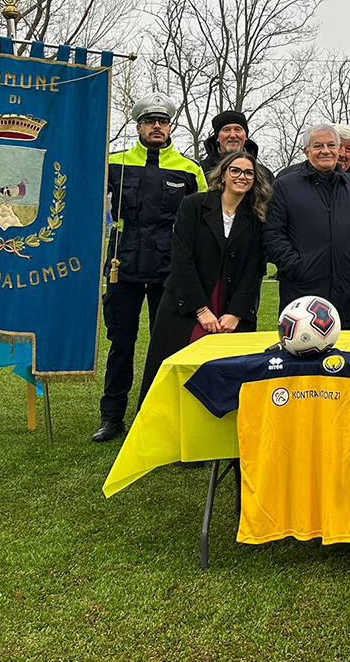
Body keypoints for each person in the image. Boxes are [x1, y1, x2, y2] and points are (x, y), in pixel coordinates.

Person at [96, 94, 207, 442]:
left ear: (170, 126)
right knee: (121, 345)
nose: (156, 127)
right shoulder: (114, 163)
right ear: (138, 126)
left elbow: (203, 222)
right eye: (149, 121)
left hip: (169, 271)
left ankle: (163, 416)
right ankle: (111, 417)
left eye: (162, 121)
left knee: (169, 347)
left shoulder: (190, 169)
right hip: (122, 267)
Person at [138, 151, 270, 405]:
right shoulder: (194, 206)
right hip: (189, 301)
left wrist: (236, 313)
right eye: (236, 170)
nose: (242, 176)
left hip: (231, 307)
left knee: (229, 372)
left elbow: (254, 269)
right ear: (223, 174)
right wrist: (200, 309)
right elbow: (181, 259)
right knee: (178, 367)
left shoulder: (256, 218)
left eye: (249, 172)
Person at [265, 124, 350, 330]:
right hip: (302, 292)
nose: (325, 151)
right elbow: (273, 233)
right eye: (318, 145)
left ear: (338, 148)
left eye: (331, 145)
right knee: (302, 355)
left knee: (346, 358)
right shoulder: (284, 186)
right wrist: (296, 265)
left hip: (349, 290)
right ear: (306, 151)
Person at [198, 110, 258, 175]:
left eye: (238, 129)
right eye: (226, 130)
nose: (232, 135)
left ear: (246, 136)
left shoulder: (263, 174)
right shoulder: (200, 171)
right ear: (217, 137)